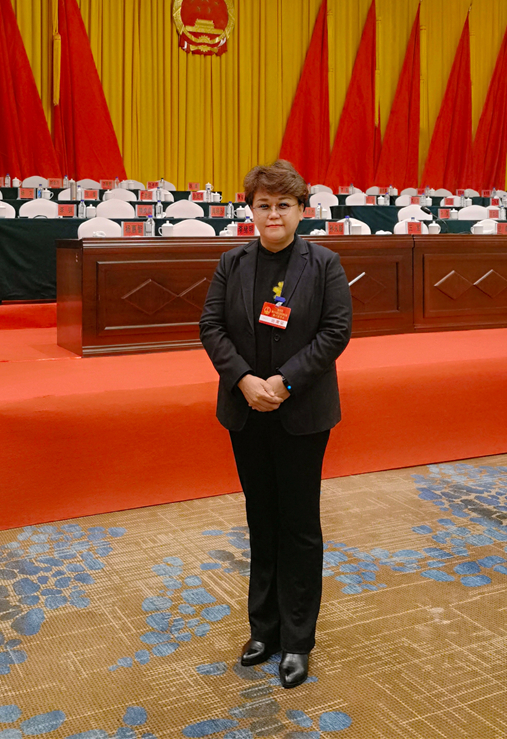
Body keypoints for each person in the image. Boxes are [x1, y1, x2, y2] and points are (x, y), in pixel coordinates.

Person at [199, 159, 352, 689]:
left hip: (301, 413)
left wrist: (284, 383)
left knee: (299, 526)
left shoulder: (325, 264)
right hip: (247, 411)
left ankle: (298, 640)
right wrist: (244, 380)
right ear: (251, 210)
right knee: (261, 520)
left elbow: (335, 332)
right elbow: (211, 326)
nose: (273, 214)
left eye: (283, 205)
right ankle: (263, 630)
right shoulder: (232, 263)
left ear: (301, 210)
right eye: (262, 205)